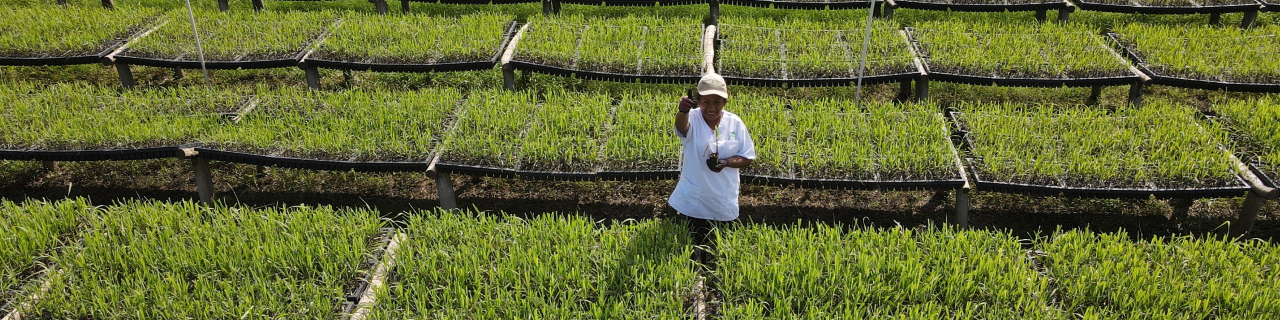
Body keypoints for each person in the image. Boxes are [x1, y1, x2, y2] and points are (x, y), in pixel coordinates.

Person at [669, 73, 755, 264]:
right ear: (698, 101)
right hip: (694, 201)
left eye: (717, 101)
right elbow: (681, 128)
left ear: (725, 101)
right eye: (706, 101)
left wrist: (726, 162)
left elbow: (747, 157)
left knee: (718, 254)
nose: (712, 107)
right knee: (689, 251)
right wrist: (682, 112)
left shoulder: (735, 123)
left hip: (722, 199)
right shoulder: (692, 118)